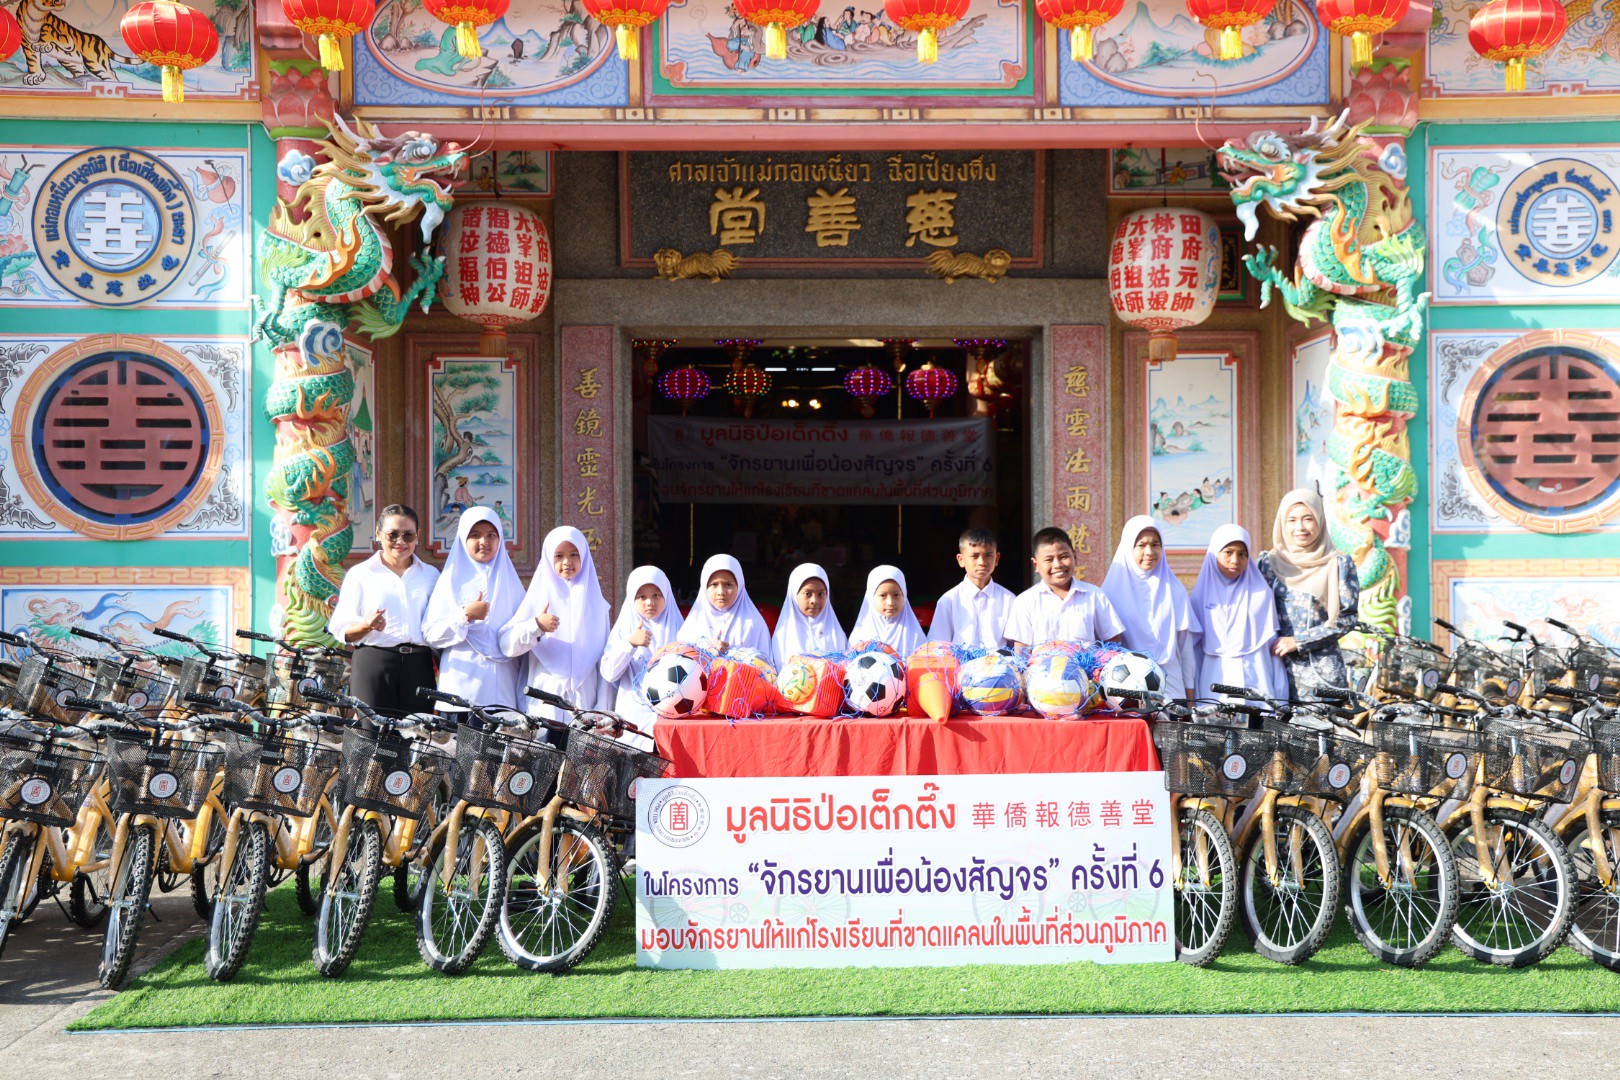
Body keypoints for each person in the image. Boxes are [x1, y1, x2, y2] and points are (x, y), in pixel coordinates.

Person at [329, 504, 439, 716]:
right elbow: (342, 631)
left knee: (417, 732)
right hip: (374, 662)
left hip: (419, 665)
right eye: (392, 534)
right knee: (372, 732)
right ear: (378, 534)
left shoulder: (431, 575)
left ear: (417, 536)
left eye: (408, 535)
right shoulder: (360, 574)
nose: (400, 541)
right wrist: (366, 625)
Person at [500, 526, 611, 723]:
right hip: (544, 696)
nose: (567, 562)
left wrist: (602, 708)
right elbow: (506, 645)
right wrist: (536, 626)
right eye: (559, 556)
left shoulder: (597, 606)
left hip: (585, 700)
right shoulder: (537, 599)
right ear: (549, 558)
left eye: (574, 555)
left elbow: (604, 660)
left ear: (584, 557)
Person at [1257, 489, 1360, 699]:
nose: (1300, 527)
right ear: (1282, 523)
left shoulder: (1338, 564)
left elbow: (1347, 619)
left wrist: (1299, 641)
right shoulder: (1267, 563)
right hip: (1273, 672)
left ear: (1319, 520)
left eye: (1308, 519)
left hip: (1320, 679)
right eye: (1292, 520)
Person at [422, 507, 524, 712]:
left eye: (491, 535)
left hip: (503, 690)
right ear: (463, 539)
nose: (484, 542)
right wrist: (464, 616)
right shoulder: (450, 581)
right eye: (475, 535)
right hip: (460, 689)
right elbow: (430, 635)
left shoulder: (512, 584)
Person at [1101, 516, 1199, 701]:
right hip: (1127, 689)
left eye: (1155, 545)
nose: (1149, 552)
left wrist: (1190, 699)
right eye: (1141, 545)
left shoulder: (1174, 590)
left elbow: (1186, 650)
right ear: (1128, 547)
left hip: (1171, 688)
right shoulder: (1110, 593)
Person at [1190, 524, 1287, 702]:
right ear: (1214, 554)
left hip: (1255, 681)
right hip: (1213, 685)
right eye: (1228, 552)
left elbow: (1271, 648)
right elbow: (1194, 652)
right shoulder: (1200, 597)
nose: (1235, 560)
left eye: (1242, 554)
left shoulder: (1261, 595)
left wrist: (1280, 697)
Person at [1004, 527, 1125, 647]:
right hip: (1042, 660)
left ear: (1074, 556)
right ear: (1036, 565)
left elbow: (1113, 640)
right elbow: (1022, 650)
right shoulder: (1025, 601)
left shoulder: (1095, 595)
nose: (1057, 565)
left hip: (1088, 660)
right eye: (1049, 560)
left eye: (1063, 557)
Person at [600, 566, 683, 727]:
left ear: (666, 595)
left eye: (656, 595)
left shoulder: (680, 630)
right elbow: (609, 673)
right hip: (635, 719)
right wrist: (630, 644)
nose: (649, 602)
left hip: (672, 718)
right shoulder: (624, 630)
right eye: (642, 597)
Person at [927, 527, 1015, 649]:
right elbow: (938, 647)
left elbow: (1016, 646)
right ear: (961, 560)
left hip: (1000, 661)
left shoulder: (1009, 599)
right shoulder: (949, 601)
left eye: (988, 555)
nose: (982, 562)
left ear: (997, 558)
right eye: (974, 556)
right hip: (958, 661)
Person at [678, 554, 773, 656]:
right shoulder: (692, 626)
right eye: (714, 584)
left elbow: (766, 663)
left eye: (728, 584)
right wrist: (705, 653)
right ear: (704, 587)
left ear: (740, 586)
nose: (721, 592)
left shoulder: (753, 624)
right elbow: (680, 661)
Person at [772, 562, 848, 667]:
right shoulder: (782, 637)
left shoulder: (836, 634)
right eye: (807, 594)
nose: (814, 600)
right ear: (794, 594)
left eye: (821, 594)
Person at [849, 566, 926, 657]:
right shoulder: (860, 637)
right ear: (871, 597)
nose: (890, 602)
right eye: (883, 595)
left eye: (896, 595)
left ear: (904, 595)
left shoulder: (915, 635)